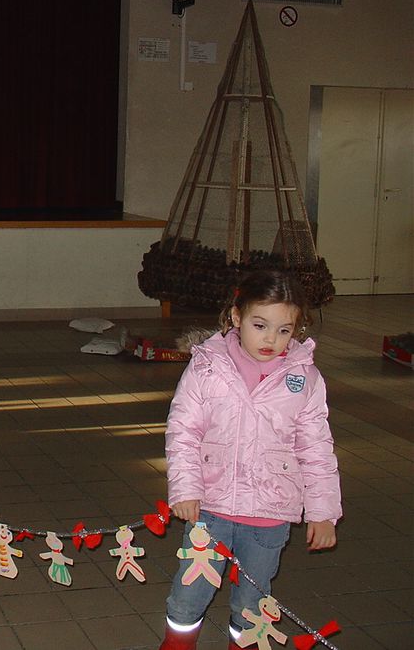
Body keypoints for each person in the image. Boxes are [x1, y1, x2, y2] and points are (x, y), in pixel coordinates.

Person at [159, 270, 342, 650]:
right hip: (210, 509)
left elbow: (317, 448)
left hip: (269, 518)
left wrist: (323, 512)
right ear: (236, 317)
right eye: (260, 325)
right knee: (189, 594)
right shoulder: (208, 366)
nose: (270, 340)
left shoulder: (304, 378)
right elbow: (183, 430)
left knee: (252, 604)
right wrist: (185, 488)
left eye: (284, 330)